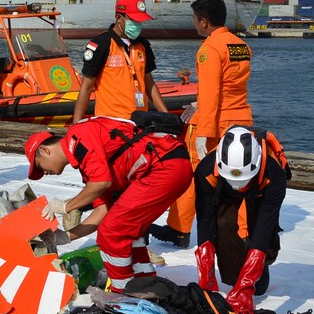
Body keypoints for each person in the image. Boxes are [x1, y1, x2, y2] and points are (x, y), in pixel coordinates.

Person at [25, 116, 192, 292]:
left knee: (111, 233)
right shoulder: (88, 165)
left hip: (162, 166)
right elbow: (102, 210)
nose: (43, 173)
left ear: (44, 150)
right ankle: (146, 285)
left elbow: (100, 183)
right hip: (166, 166)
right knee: (127, 232)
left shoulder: (77, 135)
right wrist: (65, 237)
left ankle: (123, 295)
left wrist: (66, 206)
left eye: (38, 166)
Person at [152, 0, 253, 248]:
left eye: (195, 19)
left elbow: (210, 94)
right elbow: (231, 87)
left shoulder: (210, 49)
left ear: (204, 22)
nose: (194, 23)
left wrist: (202, 133)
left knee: (191, 176)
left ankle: (179, 229)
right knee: (239, 178)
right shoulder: (240, 45)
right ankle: (244, 230)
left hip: (215, 123)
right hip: (240, 120)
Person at [194, 126, 286, 314]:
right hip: (222, 189)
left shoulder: (274, 174)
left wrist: (247, 285)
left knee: (259, 285)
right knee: (225, 225)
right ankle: (235, 271)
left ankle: (259, 270)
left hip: (259, 190)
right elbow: (205, 220)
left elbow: (265, 225)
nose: (239, 186)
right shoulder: (205, 170)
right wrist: (206, 277)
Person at [72, 0, 169, 124]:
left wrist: (167, 117)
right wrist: (76, 122)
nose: (137, 24)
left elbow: (149, 83)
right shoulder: (101, 44)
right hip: (110, 122)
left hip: (139, 121)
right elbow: (87, 86)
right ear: (118, 17)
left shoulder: (143, 45)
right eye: (133, 20)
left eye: (140, 21)